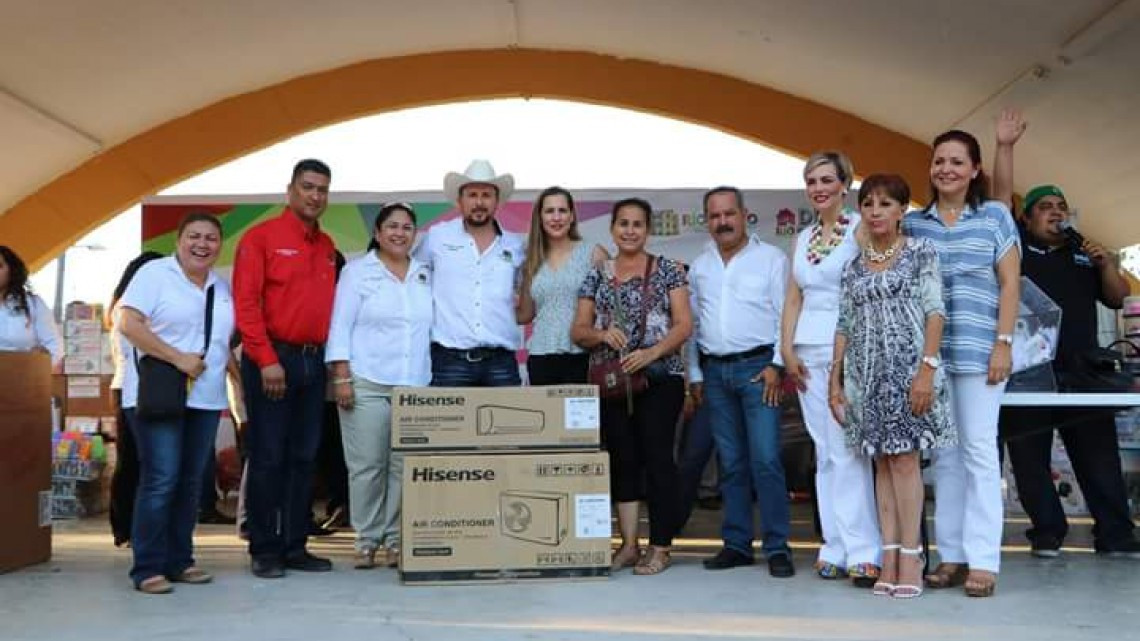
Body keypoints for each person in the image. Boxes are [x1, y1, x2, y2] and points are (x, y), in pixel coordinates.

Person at [904, 130, 1021, 597]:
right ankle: (952, 555)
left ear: (974, 170)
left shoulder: (994, 216)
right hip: (932, 358)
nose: (945, 169)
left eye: (956, 161)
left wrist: (1004, 343)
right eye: (938, 162)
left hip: (980, 353)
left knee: (978, 452)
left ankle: (984, 560)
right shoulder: (915, 225)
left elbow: (1010, 283)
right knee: (946, 458)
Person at [830, 174, 955, 599]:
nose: (876, 211)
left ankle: (912, 555)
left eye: (886, 204)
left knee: (904, 463)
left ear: (903, 210)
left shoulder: (921, 252)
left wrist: (927, 369)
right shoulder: (852, 266)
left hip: (909, 371)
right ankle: (888, 554)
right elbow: (844, 324)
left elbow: (935, 311)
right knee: (880, 463)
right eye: (868, 204)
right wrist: (835, 381)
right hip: (865, 377)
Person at [572, 197, 692, 575]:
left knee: (658, 458)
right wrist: (603, 334)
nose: (629, 230)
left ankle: (660, 546)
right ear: (612, 229)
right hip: (612, 380)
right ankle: (628, 545)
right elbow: (578, 331)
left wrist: (651, 353)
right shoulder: (597, 273)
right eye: (622, 223)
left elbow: (684, 324)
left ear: (648, 229)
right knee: (622, 459)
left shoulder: (669, 270)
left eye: (637, 224)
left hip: (660, 376)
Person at [117, 213, 236, 594]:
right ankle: (147, 566)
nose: (202, 244)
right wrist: (176, 357)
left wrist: (237, 382)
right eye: (194, 237)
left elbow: (219, 342)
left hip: (204, 396)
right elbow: (127, 322)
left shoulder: (221, 286)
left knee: (188, 482)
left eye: (211, 238)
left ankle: (180, 559)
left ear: (220, 244)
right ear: (179, 241)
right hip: (159, 393)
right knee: (161, 478)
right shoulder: (155, 274)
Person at [233, 159, 338, 579]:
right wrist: (267, 359)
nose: (315, 196)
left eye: (322, 189)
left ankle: (296, 545)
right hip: (273, 360)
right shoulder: (261, 238)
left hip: (314, 362)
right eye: (308, 187)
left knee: (303, 457)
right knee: (268, 456)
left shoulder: (328, 245)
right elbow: (246, 305)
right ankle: (264, 547)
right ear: (290, 190)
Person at [779, 152, 881, 584]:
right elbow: (794, 298)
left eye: (826, 180)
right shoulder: (803, 238)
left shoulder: (861, 230)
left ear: (845, 184)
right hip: (806, 351)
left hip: (846, 350)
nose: (818, 188)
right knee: (823, 453)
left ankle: (865, 549)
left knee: (847, 451)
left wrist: (847, 357)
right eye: (810, 181)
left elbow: (869, 291)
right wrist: (786, 350)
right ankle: (834, 546)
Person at [687, 187, 795, 578]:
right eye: (714, 216)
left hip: (759, 371)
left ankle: (778, 547)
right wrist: (696, 374)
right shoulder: (700, 266)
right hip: (715, 373)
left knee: (765, 460)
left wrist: (778, 366)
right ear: (707, 220)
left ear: (745, 214)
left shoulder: (771, 259)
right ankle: (736, 545)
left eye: (729, 214)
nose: (723, 222)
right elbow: (693, 325)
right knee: (731, 464)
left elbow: (787, 314)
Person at [327, 203, 432, 570]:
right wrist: (341, 376)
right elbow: (340, 325)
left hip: (415, 383)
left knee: (404, 467)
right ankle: (367, 538)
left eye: (407, 227)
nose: (399, 233)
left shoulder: (424, 273)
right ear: (377, 233)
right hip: (367, 381)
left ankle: (394, 539)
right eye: (392, 226)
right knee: (367, 465)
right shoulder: (358, 272)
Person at [416, 159, 524, 387]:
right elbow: (413, 284)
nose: (479, 202)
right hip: (449, 361)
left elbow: (525, 296)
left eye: (486, 195)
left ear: (497, 202)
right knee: (448, 425)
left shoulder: (515, 245)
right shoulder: (437, 237)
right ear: (460, 201)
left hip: (501, 362)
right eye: (472, 195)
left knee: (508, 423)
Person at [517, 186, 608, 385]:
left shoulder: (594, 253)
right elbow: (524, 314)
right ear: (540, 217)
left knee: (581, 417)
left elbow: (613, 305)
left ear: (572, 216)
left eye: (562, 210)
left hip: (583, 355)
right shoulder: (531, 258)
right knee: (546, 417)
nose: (556, 217)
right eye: (549, 211)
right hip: (540, 356)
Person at [106, 250, 165, 548]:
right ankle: (125, 528)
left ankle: (134, 528)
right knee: (133, 462)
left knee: (144, 463)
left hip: (145, 387)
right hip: (132, 388)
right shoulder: (126, 310)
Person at [0, 245, 62, 368]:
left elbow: (54, 346)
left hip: (22, 378)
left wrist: (37, 364)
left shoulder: (33, 304)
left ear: (11, 271)